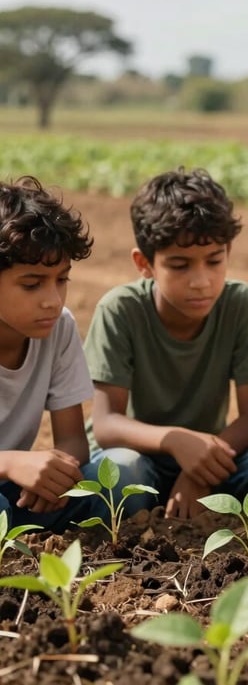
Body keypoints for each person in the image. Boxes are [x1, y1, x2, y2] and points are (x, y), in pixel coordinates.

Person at [84, 168, 248, 520]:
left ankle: (229, 539)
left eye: (214, 261)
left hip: (206, 456)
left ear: (228, 251)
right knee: (123, 471)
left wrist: (199, 468)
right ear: (145, 264)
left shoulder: (240, 304)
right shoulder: (120, 310)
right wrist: (175, 440)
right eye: (179, 265)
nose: (201, 281)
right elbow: (107, 424)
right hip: (136, 456)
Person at [0, 177, 109, 533]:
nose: (53, 299)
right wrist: (9, 463)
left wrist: (58, 477)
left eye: (61, 279)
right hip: (8, 478)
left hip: (19, 489)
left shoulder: (58, 327)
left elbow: (74, 440)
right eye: (32, 284)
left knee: (118, 487)